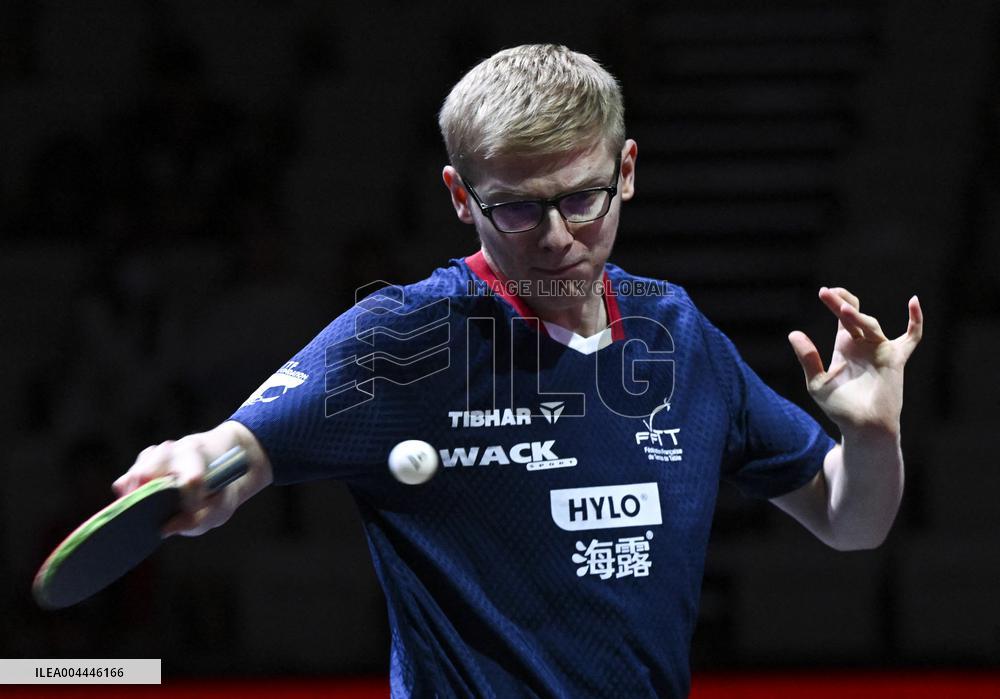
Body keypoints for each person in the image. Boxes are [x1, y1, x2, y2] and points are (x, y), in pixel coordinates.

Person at [113, 44, 924, 698]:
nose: (557, 235)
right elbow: (239, 452)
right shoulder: (405, 338)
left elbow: (851, 521)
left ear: (629, 170)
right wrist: (193, 463)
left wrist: (874, 434)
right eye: (517, 207)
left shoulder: (677, 336)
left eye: (583, 199)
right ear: (460, 197)